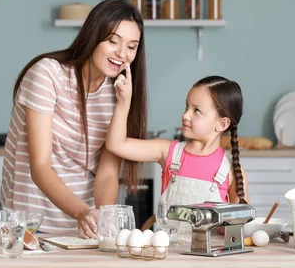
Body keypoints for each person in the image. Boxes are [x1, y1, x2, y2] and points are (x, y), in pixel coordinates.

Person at [0, 0, 148, 238]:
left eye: (131, 47)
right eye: (113, 41)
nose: (122, 54)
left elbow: (108, 173)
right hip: (31, 225)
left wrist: (100, 217)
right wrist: (81, 212)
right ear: (93, 36)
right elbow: (40, 166)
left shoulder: (120, 92)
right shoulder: (47, 74)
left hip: (82, 229)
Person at [106, 69, 249, 222]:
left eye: (197, 111)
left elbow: (239, 224)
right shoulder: (169, 152)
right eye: (186, 107)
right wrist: (123, 102)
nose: (185, 115)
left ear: (222, 124)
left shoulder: (230, 170)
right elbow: (116, 144)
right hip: (169, 245)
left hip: (212, 246)